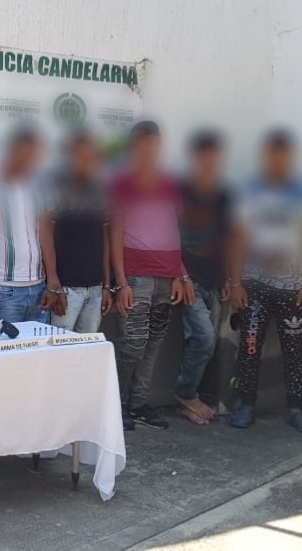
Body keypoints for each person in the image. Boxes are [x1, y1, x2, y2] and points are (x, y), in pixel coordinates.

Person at [227, 129, 302, 434]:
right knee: (249, 346)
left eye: (282, 154)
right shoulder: (251, 190)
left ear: (290, 157)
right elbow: (238, 238)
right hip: (255, 285)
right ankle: (246, 405)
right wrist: (236, 283)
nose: (277, 160)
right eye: (272, 154)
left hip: (294, 288)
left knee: (295, 352)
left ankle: (296, 409)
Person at [110, 120, 190, 432]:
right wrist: (121, 283)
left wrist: (181, 275)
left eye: (154, 144)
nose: (149, 150)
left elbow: (173, 229)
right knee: (133, 343)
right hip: (136, 276)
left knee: (153, 343)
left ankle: (138, 403)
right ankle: (114, 405)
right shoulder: (122, 183)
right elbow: (115, 233)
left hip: (167, 277)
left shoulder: (170, 184)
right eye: (143, 144)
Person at [0, 128, 52, 325]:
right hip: (4, 290)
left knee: (39, 346)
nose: (27, 160)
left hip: (39, 287)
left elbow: (46, 237)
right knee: (7, 345)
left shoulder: (38, 187)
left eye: (32, 155)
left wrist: (52, 282)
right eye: (23, 154)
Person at [175, 130, 231, 425]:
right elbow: (170, 234)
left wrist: (229, 279)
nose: (209, 161)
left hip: (215, 281)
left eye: (214, 156)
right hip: (190, 280)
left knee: (203, 344)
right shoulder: (181, 192)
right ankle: (185, 394)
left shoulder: (224, 195)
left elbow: (229, 239)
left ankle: (188, 401)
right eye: (204, 155)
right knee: (204, 339)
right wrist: (181, 276)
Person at [42, 130, 112, 333]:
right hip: (67, 290)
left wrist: (106, 285)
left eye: (90, 156)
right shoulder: (57, 189)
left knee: (87, 349)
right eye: (80, 155)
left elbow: (104, 239)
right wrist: (54, 283)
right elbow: (46, 236)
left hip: (96, 289)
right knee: (60, 348)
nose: (86, 161)